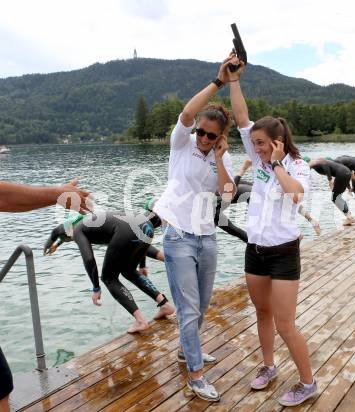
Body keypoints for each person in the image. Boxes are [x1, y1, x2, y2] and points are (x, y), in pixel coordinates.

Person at [228, 55, 317, 407]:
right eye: (256, 144)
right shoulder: (260, 155)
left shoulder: (297, 166)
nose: (257, 148)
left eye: (263, 144)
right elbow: (240, 117)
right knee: (262, 313)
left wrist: (277, 162)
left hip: (283, 255)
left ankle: (308, 382)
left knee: (285, 324)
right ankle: (269, 366)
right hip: (256, 251)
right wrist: (233, 80)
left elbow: (294, 194)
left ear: (277, 142)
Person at [152, 59, 236, 401]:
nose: (201, 137)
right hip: (178, 236)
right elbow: (187, 113)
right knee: (187, 309)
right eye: (200, 131)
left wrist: (218, 157)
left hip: (207, 236)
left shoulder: (222, 158)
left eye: (209, 135)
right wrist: (218, 81)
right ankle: (196, 375)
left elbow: (227, 194)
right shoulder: (182, 143)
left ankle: (187, 352)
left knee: (201, 307)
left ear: (220, 138)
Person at [0, 179, 90, 412]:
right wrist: (58, 194)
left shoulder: (71, 229)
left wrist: (58, 194)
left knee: (1, 384)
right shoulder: (68, 230)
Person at [43, 210, 175, 332]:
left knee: (109, 278)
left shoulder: (78, 229)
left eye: (68, 238)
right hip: (146, 226)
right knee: (128, 271)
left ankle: (141, 321)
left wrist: (95, 288)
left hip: (130, 231)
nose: (71, 240)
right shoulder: (95, 223)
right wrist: (142, 264)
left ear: (70, 229)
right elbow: (135, 236)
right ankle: (165, 304)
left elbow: (89, 259)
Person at [304, 156, 355, 226]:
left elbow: (325, 164)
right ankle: (349, 217)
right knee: (337, 197)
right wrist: (349, 188)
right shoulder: (313, 165)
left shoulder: (314, 162)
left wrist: (330, 180)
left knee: (335, 197)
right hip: (346, 172)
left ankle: (349, 217)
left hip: (342, 173)